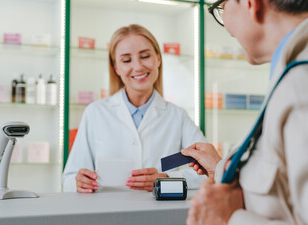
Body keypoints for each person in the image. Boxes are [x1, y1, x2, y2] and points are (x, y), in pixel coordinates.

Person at [182, 0, 308, 225]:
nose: (225, 23)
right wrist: (223, 170)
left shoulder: (307, 85)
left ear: (251, 4)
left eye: (222, 7)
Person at [63, 24, 206, 193]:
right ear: (116, 67)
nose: (138, 67)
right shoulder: (95, 113)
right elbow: (69, 180)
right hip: (107, 215)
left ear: (158, 59)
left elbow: (208, 171)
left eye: (145, 56)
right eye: (126, 60)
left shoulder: (178, 116)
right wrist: (78, 182)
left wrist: (165, 179)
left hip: (163, 217)